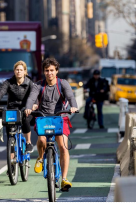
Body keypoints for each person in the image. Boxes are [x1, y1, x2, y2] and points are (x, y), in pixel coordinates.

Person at [25, 57, 78, 192]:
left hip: (61, 118)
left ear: (57, 71)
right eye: (47, 71)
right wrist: (29, 107)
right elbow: (31, 97)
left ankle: (64, 179)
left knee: (63, 147)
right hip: (44, 118)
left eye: (52, 70)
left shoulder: (63, 83)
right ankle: (41, 157)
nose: (49, 73)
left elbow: (71, 97)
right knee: (42, 140)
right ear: (44, 72)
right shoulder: (39, 85)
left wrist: (73, 107)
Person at [0, 61, 38, 154]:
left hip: (25, 109)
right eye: (17, 70)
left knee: (25, 119)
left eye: (21, 70)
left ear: (25, 71)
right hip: (12, 109)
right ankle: (11, 163)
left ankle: (28, 142)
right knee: (9, 131)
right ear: (14, 71)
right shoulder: (8, 82)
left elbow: (34, 95)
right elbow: (0, 92)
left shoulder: (29, 83)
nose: (19, 72)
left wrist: (34, 105)